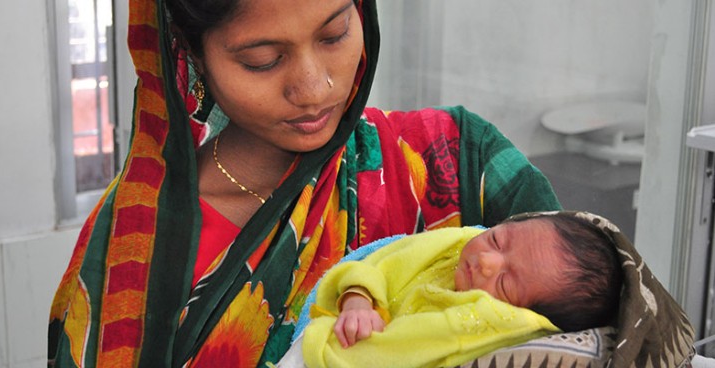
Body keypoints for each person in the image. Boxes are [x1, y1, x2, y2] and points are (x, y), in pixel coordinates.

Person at [47, 1, 562, 367]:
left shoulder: (456, 159)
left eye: (335, 34)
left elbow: (593, 303)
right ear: (193, 56)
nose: (316, 88)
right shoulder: (135, 249)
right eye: (262, 61)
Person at [285, 212, 622, 368]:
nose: (487, 261)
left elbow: (390, 356)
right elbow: (379, 263)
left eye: (504, 283)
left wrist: (330, 342)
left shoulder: (483, 325)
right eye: (497, 239)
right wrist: (358, 299)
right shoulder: (456, 244)